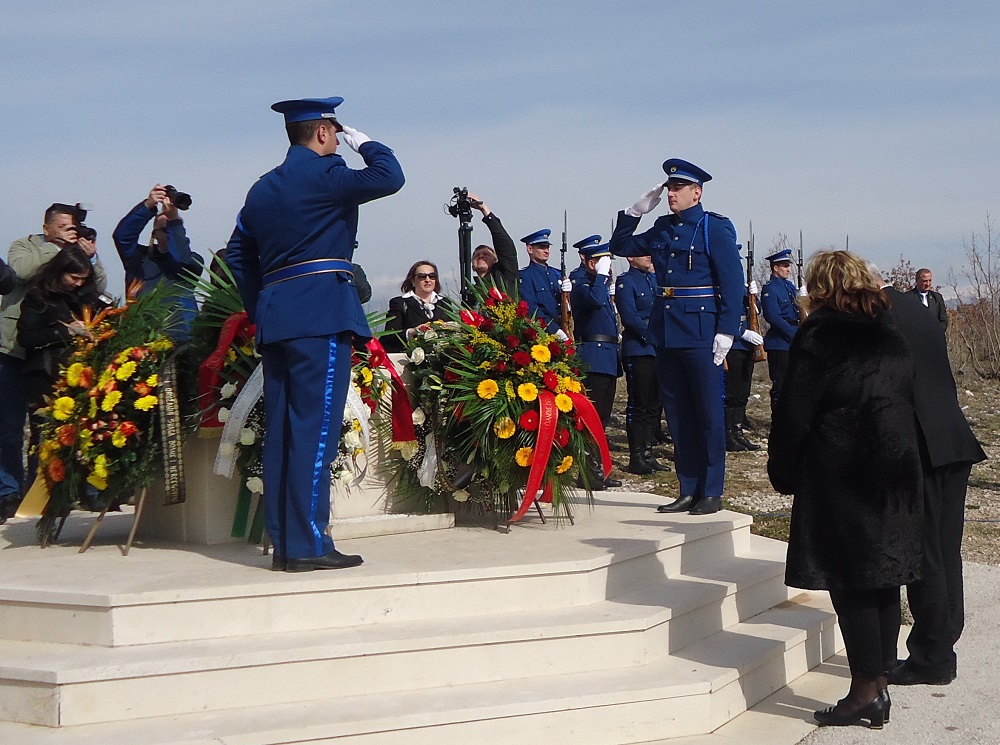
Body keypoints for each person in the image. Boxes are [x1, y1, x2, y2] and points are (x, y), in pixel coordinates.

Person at [225, 95, 404, 572]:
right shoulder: (326, 175)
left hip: (279, 318)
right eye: (335, 132)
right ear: (324, 133)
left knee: (284, 431)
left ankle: (287, 542)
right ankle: (307, 546)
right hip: (321, 313)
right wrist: (364, 141)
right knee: (316, 432)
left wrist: (262, 305)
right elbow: (390, 176)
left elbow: (238, 255)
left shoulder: (262, 189)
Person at [769, 250, 922, 729]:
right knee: (884, 577)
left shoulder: (821, 332)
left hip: (845, 471)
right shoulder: (887, 326)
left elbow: (796, 408)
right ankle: (877, 680)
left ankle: (864, 692)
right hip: (895, 468)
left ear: (818, 285)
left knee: (851, 581)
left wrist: (783, 468)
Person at [870, 267, 987, 687]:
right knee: (945, 550)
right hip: (950, 438)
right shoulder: (915, 307)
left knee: (927, 555)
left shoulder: (882, 315)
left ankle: (932, 657)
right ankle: (941, 647)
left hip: (924, 446)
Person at [609, 158, 743, 515]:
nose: (671, 194)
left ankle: (711, 490)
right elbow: (621, 247)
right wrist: (633, 212)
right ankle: (688, 487)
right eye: (669, 188)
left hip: (702, 332)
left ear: (696, 193)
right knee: (679, 414)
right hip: (666, 332)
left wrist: (728, 330)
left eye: (678, 188)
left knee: (709, 413)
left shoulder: (713, 228)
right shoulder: (663, 227)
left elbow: (732, 283)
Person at [0, 204, 109, 521]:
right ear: (47, 227)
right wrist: (57, 248)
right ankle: (8, 492)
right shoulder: (27, 246)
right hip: (10, 348)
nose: (67, 232)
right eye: (63, 226)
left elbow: (95, 289)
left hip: (47, 360)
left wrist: (89, 256)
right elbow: (19, 272)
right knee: (8, 429)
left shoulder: (70, 264)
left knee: (46, 429)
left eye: (71, 227)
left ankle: (42, 492)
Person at [112, 184, 205, 342]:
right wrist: (148, 205)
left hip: (182, 339)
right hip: (142, 339)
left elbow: (182, 258)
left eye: (173, 229)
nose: (170, 233)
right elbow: (122, 237)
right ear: (155, 234)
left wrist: (174, 221)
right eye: (165, 229)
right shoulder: (139, 260)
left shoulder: (193, 261)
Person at [570, 241, 622, 489]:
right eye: (604, 263)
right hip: (593, 357)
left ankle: (599, 469)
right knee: (591, 418)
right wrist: (600, 276)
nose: (609, 268)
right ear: (592, 263)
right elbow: (596, 301)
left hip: (608, 357)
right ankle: (588, 473)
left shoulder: (596, 285)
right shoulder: (583, 285)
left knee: (602, 418)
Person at [615, 254, 668, 475]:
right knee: (639, 404)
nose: (649, 257)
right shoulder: (626, 281)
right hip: (640, 348)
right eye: (643, 253)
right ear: (630, 258)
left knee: (653, 405)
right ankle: (636, 456)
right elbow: (630, 317)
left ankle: (648, 453)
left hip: (657, 348)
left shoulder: (653, 280)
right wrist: (653, 335)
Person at [724, 281, 764, 452]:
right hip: (734, 344)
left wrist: (753, 296)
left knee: (743, 392)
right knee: (732, 393)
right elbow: (722, 314)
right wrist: (741, 332)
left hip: (748, 346)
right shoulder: (723, 285)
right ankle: (728, 434)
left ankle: (737, 431)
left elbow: (755, 310)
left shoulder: (742, 286)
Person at [382, 261, 454, 353]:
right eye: (422, 276)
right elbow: (389, 336)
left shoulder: (445, 303)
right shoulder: (399, 303)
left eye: (432, 276)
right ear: (412, 280)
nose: (428, 280)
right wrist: (413, 332)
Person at [760, 248, 800, 413]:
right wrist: (794, 334)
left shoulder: (790, 287)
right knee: (781, 386)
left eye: (788, 266)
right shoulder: (770, 289)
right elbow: (773, 317)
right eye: (784, 266)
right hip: (780, 343)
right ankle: (779, 420)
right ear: (775, 268)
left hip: (794, 340)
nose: (789, 269)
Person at [519, 229, 571, 338]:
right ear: (529, 249)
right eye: (542, 247)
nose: (546, 251)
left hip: (565, 327)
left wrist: (570, 292)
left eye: (547, 247)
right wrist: (554, 330)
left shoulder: (557, 274)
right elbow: (532, 308)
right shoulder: (526, 276)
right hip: (544, 332)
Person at [468, 193, 518, 294]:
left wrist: (484, 210)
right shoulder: (472, 293)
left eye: (486, 254)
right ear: (472, 266)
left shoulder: (505, 277)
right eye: (476, 255)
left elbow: (505, 245)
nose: (481, 256)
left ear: (496, 260)